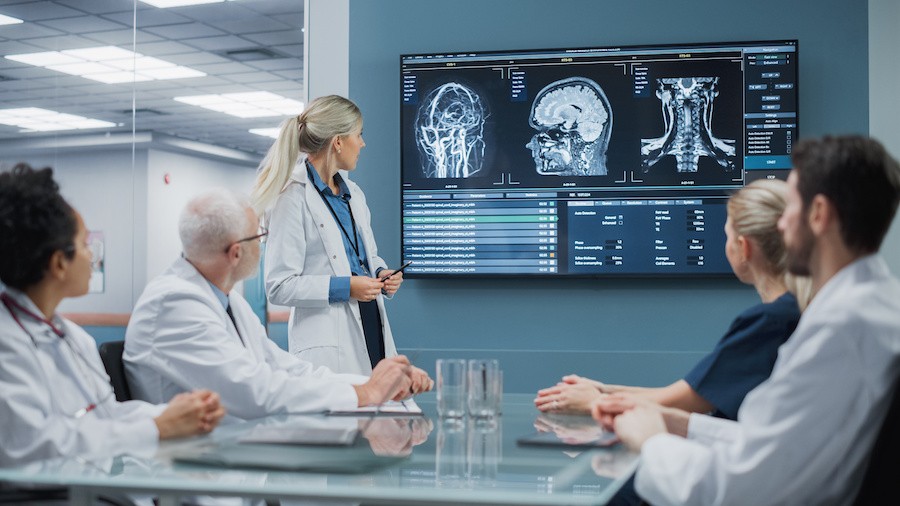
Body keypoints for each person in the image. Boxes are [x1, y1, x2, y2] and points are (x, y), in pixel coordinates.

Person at [593, 135, 900, 505]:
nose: (782, 225)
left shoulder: (841, 329)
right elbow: (775, 444)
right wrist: (680, 424)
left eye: (791, 206)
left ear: (818, 214)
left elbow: (737, 490)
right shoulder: (871, 306)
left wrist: (651, 441)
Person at [124, 189, 432, 421]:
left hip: (237, 459)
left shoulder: (227, 301)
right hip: (195, 480)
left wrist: (379, 383)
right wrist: (365, 392)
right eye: (260, 236)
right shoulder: (174, 304)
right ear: (235, 253)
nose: (264, 244)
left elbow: (288, 370)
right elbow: (254, 392)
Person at [0, 164, 225, 467]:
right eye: (83, 244)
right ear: (58, 263)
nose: (92, 254)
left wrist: (175, 413)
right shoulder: (7, 343)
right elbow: (34, 445)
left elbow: (107, 414)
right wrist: (157, 428)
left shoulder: (72, 337)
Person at [535, 179, 809, 420]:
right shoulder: (796, 310)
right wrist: (602, 389)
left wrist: (593, 402)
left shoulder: (769, 322)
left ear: (743, 247)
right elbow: (685, 393)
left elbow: (681, 404)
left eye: (726, 236)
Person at [251, 95, 404, 375]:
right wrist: (346, 287)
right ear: (338, 141)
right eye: (358, 135)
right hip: (327, 340)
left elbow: (363, 257)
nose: (362, 144)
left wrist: (381, 272)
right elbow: (279, 286)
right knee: (343, 413)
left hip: (371, 324)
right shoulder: (292, 198)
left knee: (379, 408)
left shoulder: (353, 195)